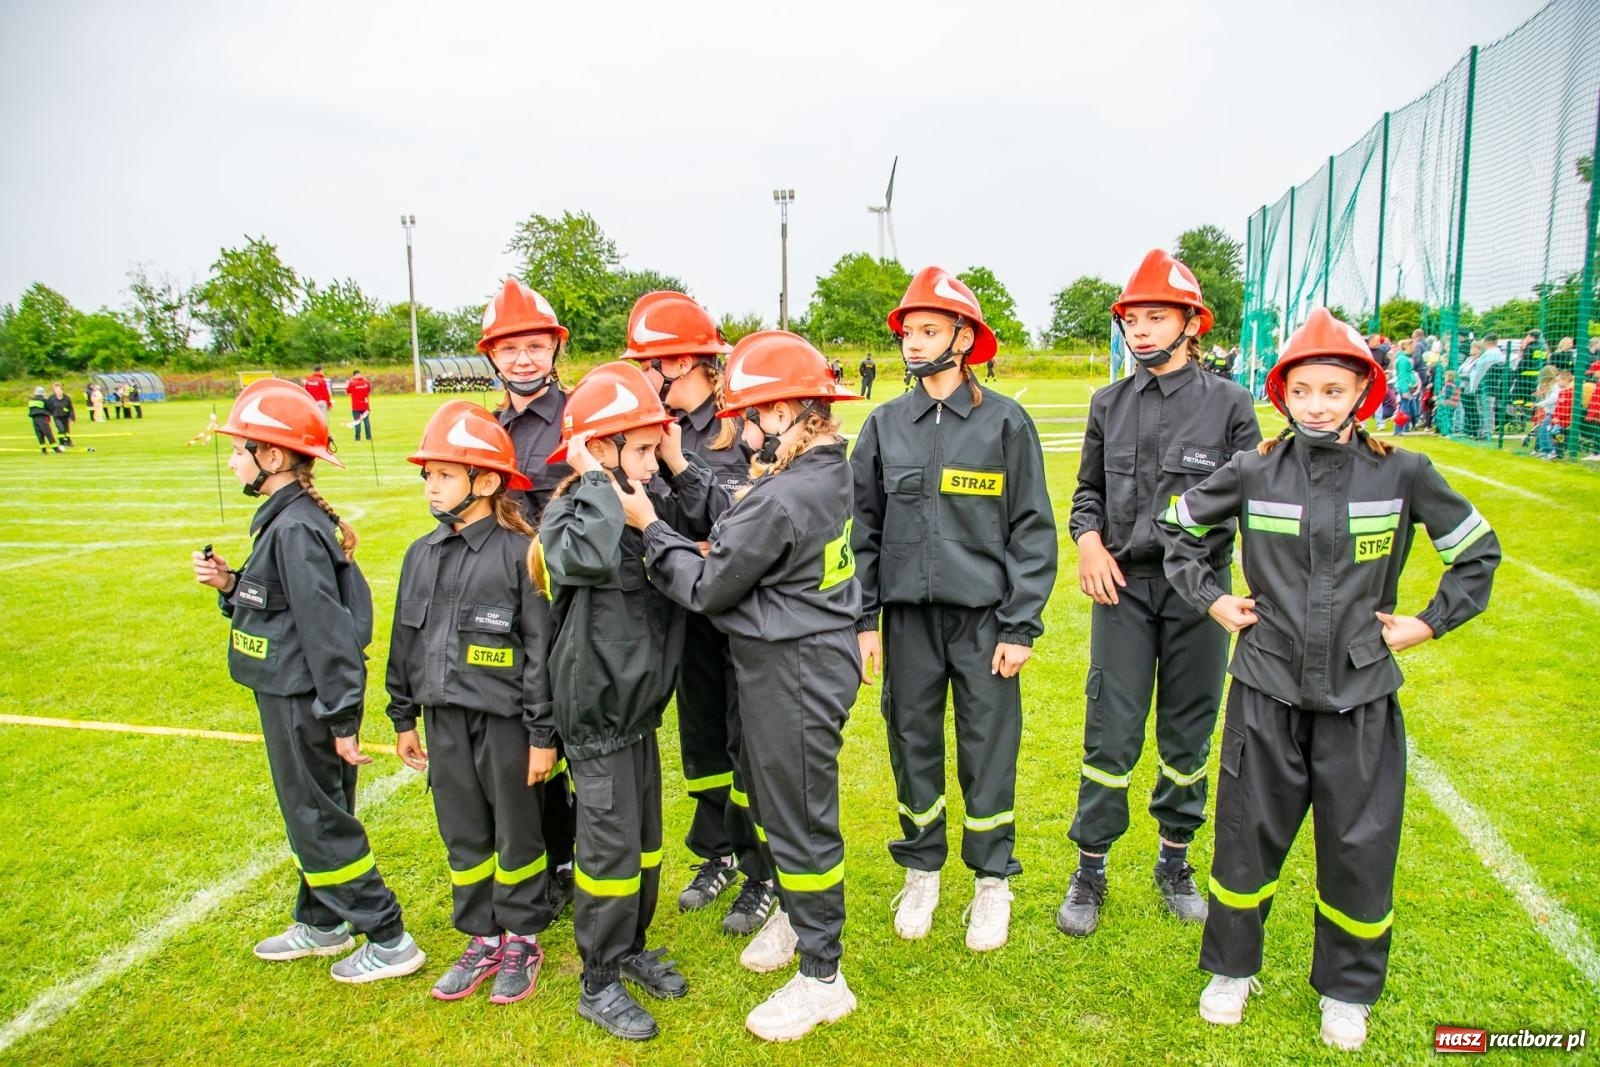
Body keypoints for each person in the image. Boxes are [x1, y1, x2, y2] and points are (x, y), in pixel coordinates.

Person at [1159, 308, 1499, 1051]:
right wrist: (1213, 597)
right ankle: (1232, 970)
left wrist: (1429, 622)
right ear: (1282, 394)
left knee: (1359, 846)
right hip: (1265, 690)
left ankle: (1346, 990)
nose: (1317, 404)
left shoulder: (1403, 471)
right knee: (1245, 838)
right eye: (1303, 390)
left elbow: (1477, 551)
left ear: (1362, 393)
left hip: (1362, 697)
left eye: (1333, 390)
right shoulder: (1253, 470)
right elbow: (1177, 528)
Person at [622, 330, 864, 1041]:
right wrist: (683, 472)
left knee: (800, 818)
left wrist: (651, 528)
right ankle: (794, 914)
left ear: (786, 412)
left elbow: (707, 583)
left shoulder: (784, 495)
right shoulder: (825, 471)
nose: (745, 431)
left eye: (753, 416)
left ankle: (823, 975)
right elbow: (739, 523)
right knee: (776, 801)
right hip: (802, 659)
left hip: (793, 670)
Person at [191, 378, 424, 985]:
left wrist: (342, 717)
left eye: (238, 450)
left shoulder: (295, 527)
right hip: (291, 692)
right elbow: (281, 604)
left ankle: (389, 938)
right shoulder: (287, 520)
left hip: (305, 700)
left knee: (318, 819)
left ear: (271, 456)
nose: (232, 460)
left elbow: (329, 630)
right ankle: (323, 922)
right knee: (314, 811)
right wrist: (230, 585)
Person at [851, 267, 1058, 952]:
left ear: (964, 338)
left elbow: (1032, 528)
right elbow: (862, 531)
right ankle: (922, 870)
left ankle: (992, 880)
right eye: (908, 332)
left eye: (929, 330)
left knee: (987, 749)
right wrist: (864, 620)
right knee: (911, 742)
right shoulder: (883, 425)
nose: (913, 343)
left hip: (986, 623)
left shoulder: (1006, 423)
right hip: (907, 622)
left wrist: (1021, 624)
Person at [1057, 250, 1262, 939]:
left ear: (1191, 323)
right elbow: (1088, 491)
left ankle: (1175, 861)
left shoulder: (1231, 405)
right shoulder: (1107, 404)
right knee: (1110, 733)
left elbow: (1253, 503)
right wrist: (1088, 541)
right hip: (1124, 590)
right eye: (1133, 319)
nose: (1140, 331)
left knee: (1188, 729)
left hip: (1199, 594)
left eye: (1156, 317)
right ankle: (1090, 868)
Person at [533, 361, 721, 1041]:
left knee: (643, 845)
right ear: (599, 449)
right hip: (597, 717)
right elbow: (582, 559)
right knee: (609, 855)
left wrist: (671, 461)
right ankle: (598, 977)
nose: (650, 461)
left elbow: (712, 522)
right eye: (640, 448)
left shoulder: (644, 500)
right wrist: (591, 476)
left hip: (638, 714)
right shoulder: (571, 514)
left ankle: (630, 945)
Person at [384, 401, 556, 1004]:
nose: (431, 486)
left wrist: (542, 736)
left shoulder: (522, 552)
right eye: (427, 475)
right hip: (443, 721)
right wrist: (403, 716)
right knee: (463, 833)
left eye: (444, 474)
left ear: (485, 483)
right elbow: (404, 640)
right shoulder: (420, 554)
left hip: (506, 725)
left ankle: (522, 937)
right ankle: (483, 937)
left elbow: (541, 654)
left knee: (516, 833)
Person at [618, 291, 772, 936]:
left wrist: (701, 542)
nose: (646, 377)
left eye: (652, 365)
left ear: (687, 362)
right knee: (703, 739)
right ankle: (716, 855)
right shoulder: (646, 431)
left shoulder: (748, 426)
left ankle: (762, 869)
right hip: (684, 614)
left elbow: (751, 531)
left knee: (750, 744)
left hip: (745, 617)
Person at [481, 277, 579, 914]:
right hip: (504, 611)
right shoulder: (485, 428)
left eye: (535, 346)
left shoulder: (578, 416)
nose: (523, 359)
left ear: (554, 349)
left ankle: (572, 858)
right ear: (492, 355)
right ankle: (542, 854)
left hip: (567, 606)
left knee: (568, 734)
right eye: (510, 348)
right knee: (522, 733)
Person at [27, 387, 61, 454]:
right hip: (42, 418)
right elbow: (50, 408)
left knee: (39, 434)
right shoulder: (44, 400)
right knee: (48, 433)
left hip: (34, 419)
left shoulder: (31, 401)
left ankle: (43, 450)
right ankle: (56, 449)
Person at [44, 382, 75, 447]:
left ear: (62, 390)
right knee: (61, 429)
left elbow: (71, 408)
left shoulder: (67, 398)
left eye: (59, 390)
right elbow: (47, 406)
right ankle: (62, 442)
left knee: (66, 430)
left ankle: (68, 442)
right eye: (57, 391)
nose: (58, 392)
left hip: (65, 416)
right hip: (57, 417)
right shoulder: (52, 398)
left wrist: (72, 418)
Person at [1434, 371, 1461, 438]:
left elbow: (1447, 395)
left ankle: (1446, 432)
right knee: (1450, 418)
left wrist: (1440, 400)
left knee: (1447, 418)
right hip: (1453, 404)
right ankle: (1449, 431)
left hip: (1448, 404)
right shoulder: (1454, 385)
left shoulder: (1448, 385)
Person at [347, 369, 373, 441]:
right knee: (366, 421)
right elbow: (368, 390)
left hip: (356, 406)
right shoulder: (366, 382)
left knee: (357, 421)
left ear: (354, 375)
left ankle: (357, 438)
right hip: (365, 405)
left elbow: (348, 391)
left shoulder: (352, 383)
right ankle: (368, 437)